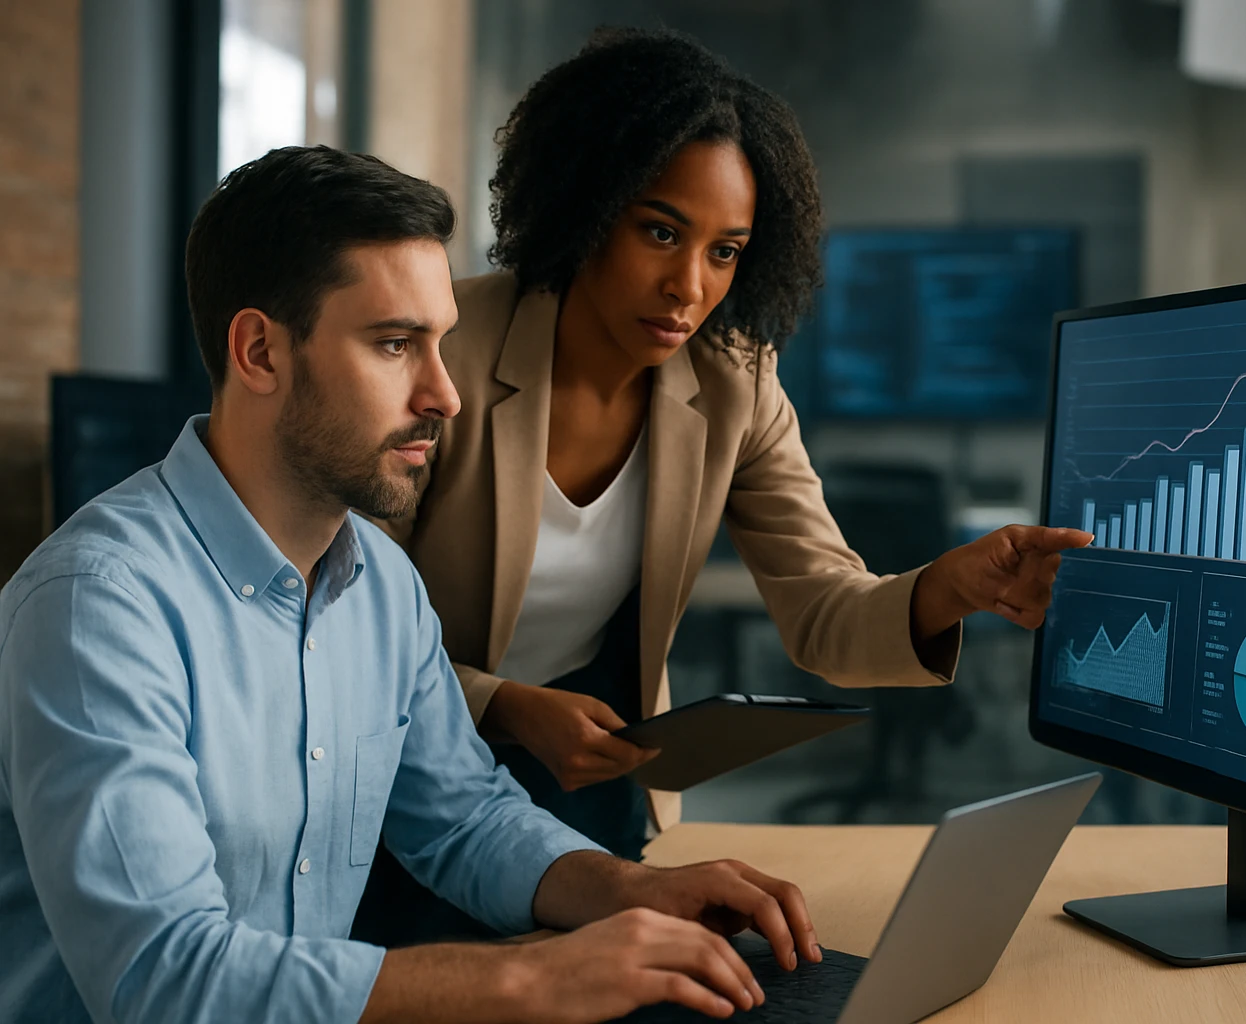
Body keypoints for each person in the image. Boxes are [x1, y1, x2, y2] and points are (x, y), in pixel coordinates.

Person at [0, 145, 823, 1024]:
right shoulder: (99, 607)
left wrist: (632, 893)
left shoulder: (382, 585)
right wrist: (536, 980)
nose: (445, 395)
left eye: (441, 345)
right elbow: (165, 979)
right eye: (395, 345)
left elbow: (465, 818)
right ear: (259, 352)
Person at [361, 26, 1091, 927]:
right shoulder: (442, 348)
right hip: (398, 773)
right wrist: (506, 707)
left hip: (592, 780)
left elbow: (822, 608)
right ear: (584, 202)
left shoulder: (733, 378)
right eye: (661, 231)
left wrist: (948, 587)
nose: (689, 286)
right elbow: (342, 629)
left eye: (725, 250)